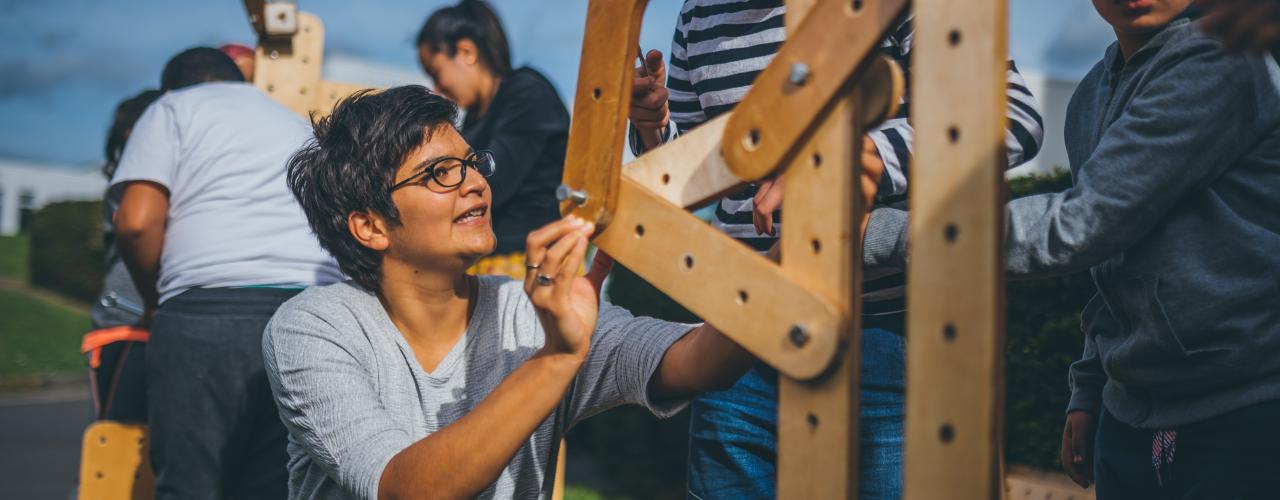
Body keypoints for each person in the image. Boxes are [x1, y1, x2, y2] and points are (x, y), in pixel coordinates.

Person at [263, 85, 842, 499]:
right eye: (440, 173)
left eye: (472, 163)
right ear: (370, 226)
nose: (475, 183)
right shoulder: (313, 328)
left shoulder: (527, 307)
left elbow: (698, 364)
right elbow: (408, 489)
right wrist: (559, 359)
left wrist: (806, 238)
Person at [627, 2, 1045, 498]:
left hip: (881, 334)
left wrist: (840, 163)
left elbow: (1009, 114)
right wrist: (655, 128)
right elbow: (697, 169)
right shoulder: (698, 12)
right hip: (738, 337)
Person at [867, 2, 1280, 498]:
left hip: (1246, 411)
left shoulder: (1220, 62)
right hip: (1130, 416)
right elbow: (1114, 264)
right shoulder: (1090, 94)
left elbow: (1085, 223)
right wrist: (1090, 386)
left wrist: (874, 232)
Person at [111, 47, 342, 498]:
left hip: (207, 312)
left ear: (173, 86)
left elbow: (136, 223)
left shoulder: (172, 108)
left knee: (193, 483)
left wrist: (154, 300)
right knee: (277, 484)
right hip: (311, 313)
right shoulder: (294, 122)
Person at [416, 0, 570, 279]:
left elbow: (490, 182)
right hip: (489, 255)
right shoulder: (475, 117)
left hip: (529, 259)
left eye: (436, 73)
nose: (437, 88)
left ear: (466, 51)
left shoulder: (526, 93)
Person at [82, 88, 162, 423]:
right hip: (127, 327)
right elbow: (136, 225)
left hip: (158, 326)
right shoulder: (130, 184)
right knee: (116, 444)